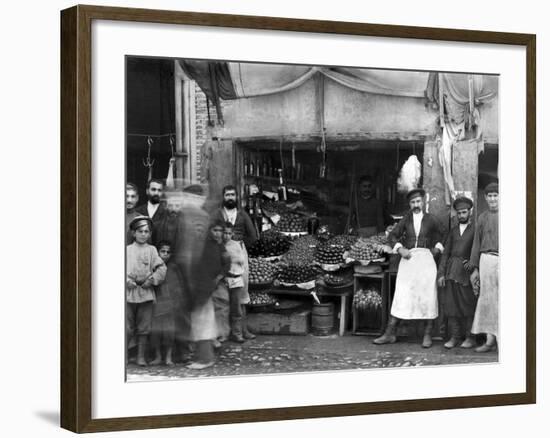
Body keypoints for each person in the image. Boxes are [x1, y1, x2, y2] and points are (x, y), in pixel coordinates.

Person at [374, 188, 444, 348]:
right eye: (413, 202)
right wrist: (400, 249)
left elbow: (444, 233)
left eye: (418, 201)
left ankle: (427, 334)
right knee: (402, 294)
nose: (416, 205)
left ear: (424, 201)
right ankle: (390, 333)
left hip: (426, 261)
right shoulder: (406, 220)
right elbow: (392, 236)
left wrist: (437, 248)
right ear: (409, 204)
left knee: (428, 296)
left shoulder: (431, 219)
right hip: (409, 260)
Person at [210, 185, 258, 343]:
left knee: (241, 292)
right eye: (227, 195)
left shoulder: (242, 215)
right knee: (221, 295)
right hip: (221, 251)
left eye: (233, 195)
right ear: (223, 197)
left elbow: (252, 236)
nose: (230, 198)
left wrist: (240, 245)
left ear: (236, 197)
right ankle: (223, 331)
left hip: (238, 252)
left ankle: (241, 330)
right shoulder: (217, 214)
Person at [186, 219, 228, 370]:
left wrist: (213, 281)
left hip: (202, 290)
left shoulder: (209, 247)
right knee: (199, 324)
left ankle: (205, 358)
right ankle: (201, 356)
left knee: (203, 324)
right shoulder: (197, 246)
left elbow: (217, 265)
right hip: (197, 290)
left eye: (200, 229)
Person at [437, 197, 478, 349]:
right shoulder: (453, 231)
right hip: (451, 272)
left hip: (466, 274)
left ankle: (470, 337)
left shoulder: (475, 229)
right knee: (451, 306)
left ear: (470, 212)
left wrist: (473, 263)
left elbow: (478, 249)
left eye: (464, 212)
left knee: (467, 305)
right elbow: (445, 253)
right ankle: (455, 337)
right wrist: (441, 274)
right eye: (459, 213)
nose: (461, 215)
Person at [126, 216, 167, 366]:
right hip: (128, 294)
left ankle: (140, 357)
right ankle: (124, 354)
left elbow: (161, 268)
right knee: (128, 327)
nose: (143, 234)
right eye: (140, 231)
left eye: (146, 232)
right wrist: (126, 281)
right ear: (133, 233)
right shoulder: (127, 250)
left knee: (144, 327)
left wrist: (151, 280)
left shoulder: (152, 250)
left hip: (146, 294)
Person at [469, 182, 499, 353]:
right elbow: (476, 244)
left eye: (496, 195)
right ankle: (489, 340)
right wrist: (474, 269)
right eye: (490, 196)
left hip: (505, 260)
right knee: (487, 300)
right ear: (486, 198)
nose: (493, 199)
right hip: (486, 260)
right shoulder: (481, 218)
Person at [222, 221, 256, 343]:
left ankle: (239, 332)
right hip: (223, 279)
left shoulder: (237, 245)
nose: (226, 235)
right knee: (224, 307)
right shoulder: (218, 245)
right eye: (224, 233)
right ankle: (225, 333)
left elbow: (242, 263)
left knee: (238, 306)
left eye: (229, 233)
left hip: (236, 278)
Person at [150, 241, 182, 366]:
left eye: (168, 252)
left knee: (169, 332)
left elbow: (178, 286)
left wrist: (177, 301)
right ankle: (158, 356)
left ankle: (168, 357)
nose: (165, 254)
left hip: (170, 304)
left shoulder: (173, 267)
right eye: (163, 251)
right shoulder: (154, 267)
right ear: (157, 252)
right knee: (156, 332)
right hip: (156, 304)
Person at [135, 178, 167, 245]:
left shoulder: (167, 212)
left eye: (159, 190)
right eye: (153, 189)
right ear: (147, 191)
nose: (156, 193)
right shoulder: (137, 211)